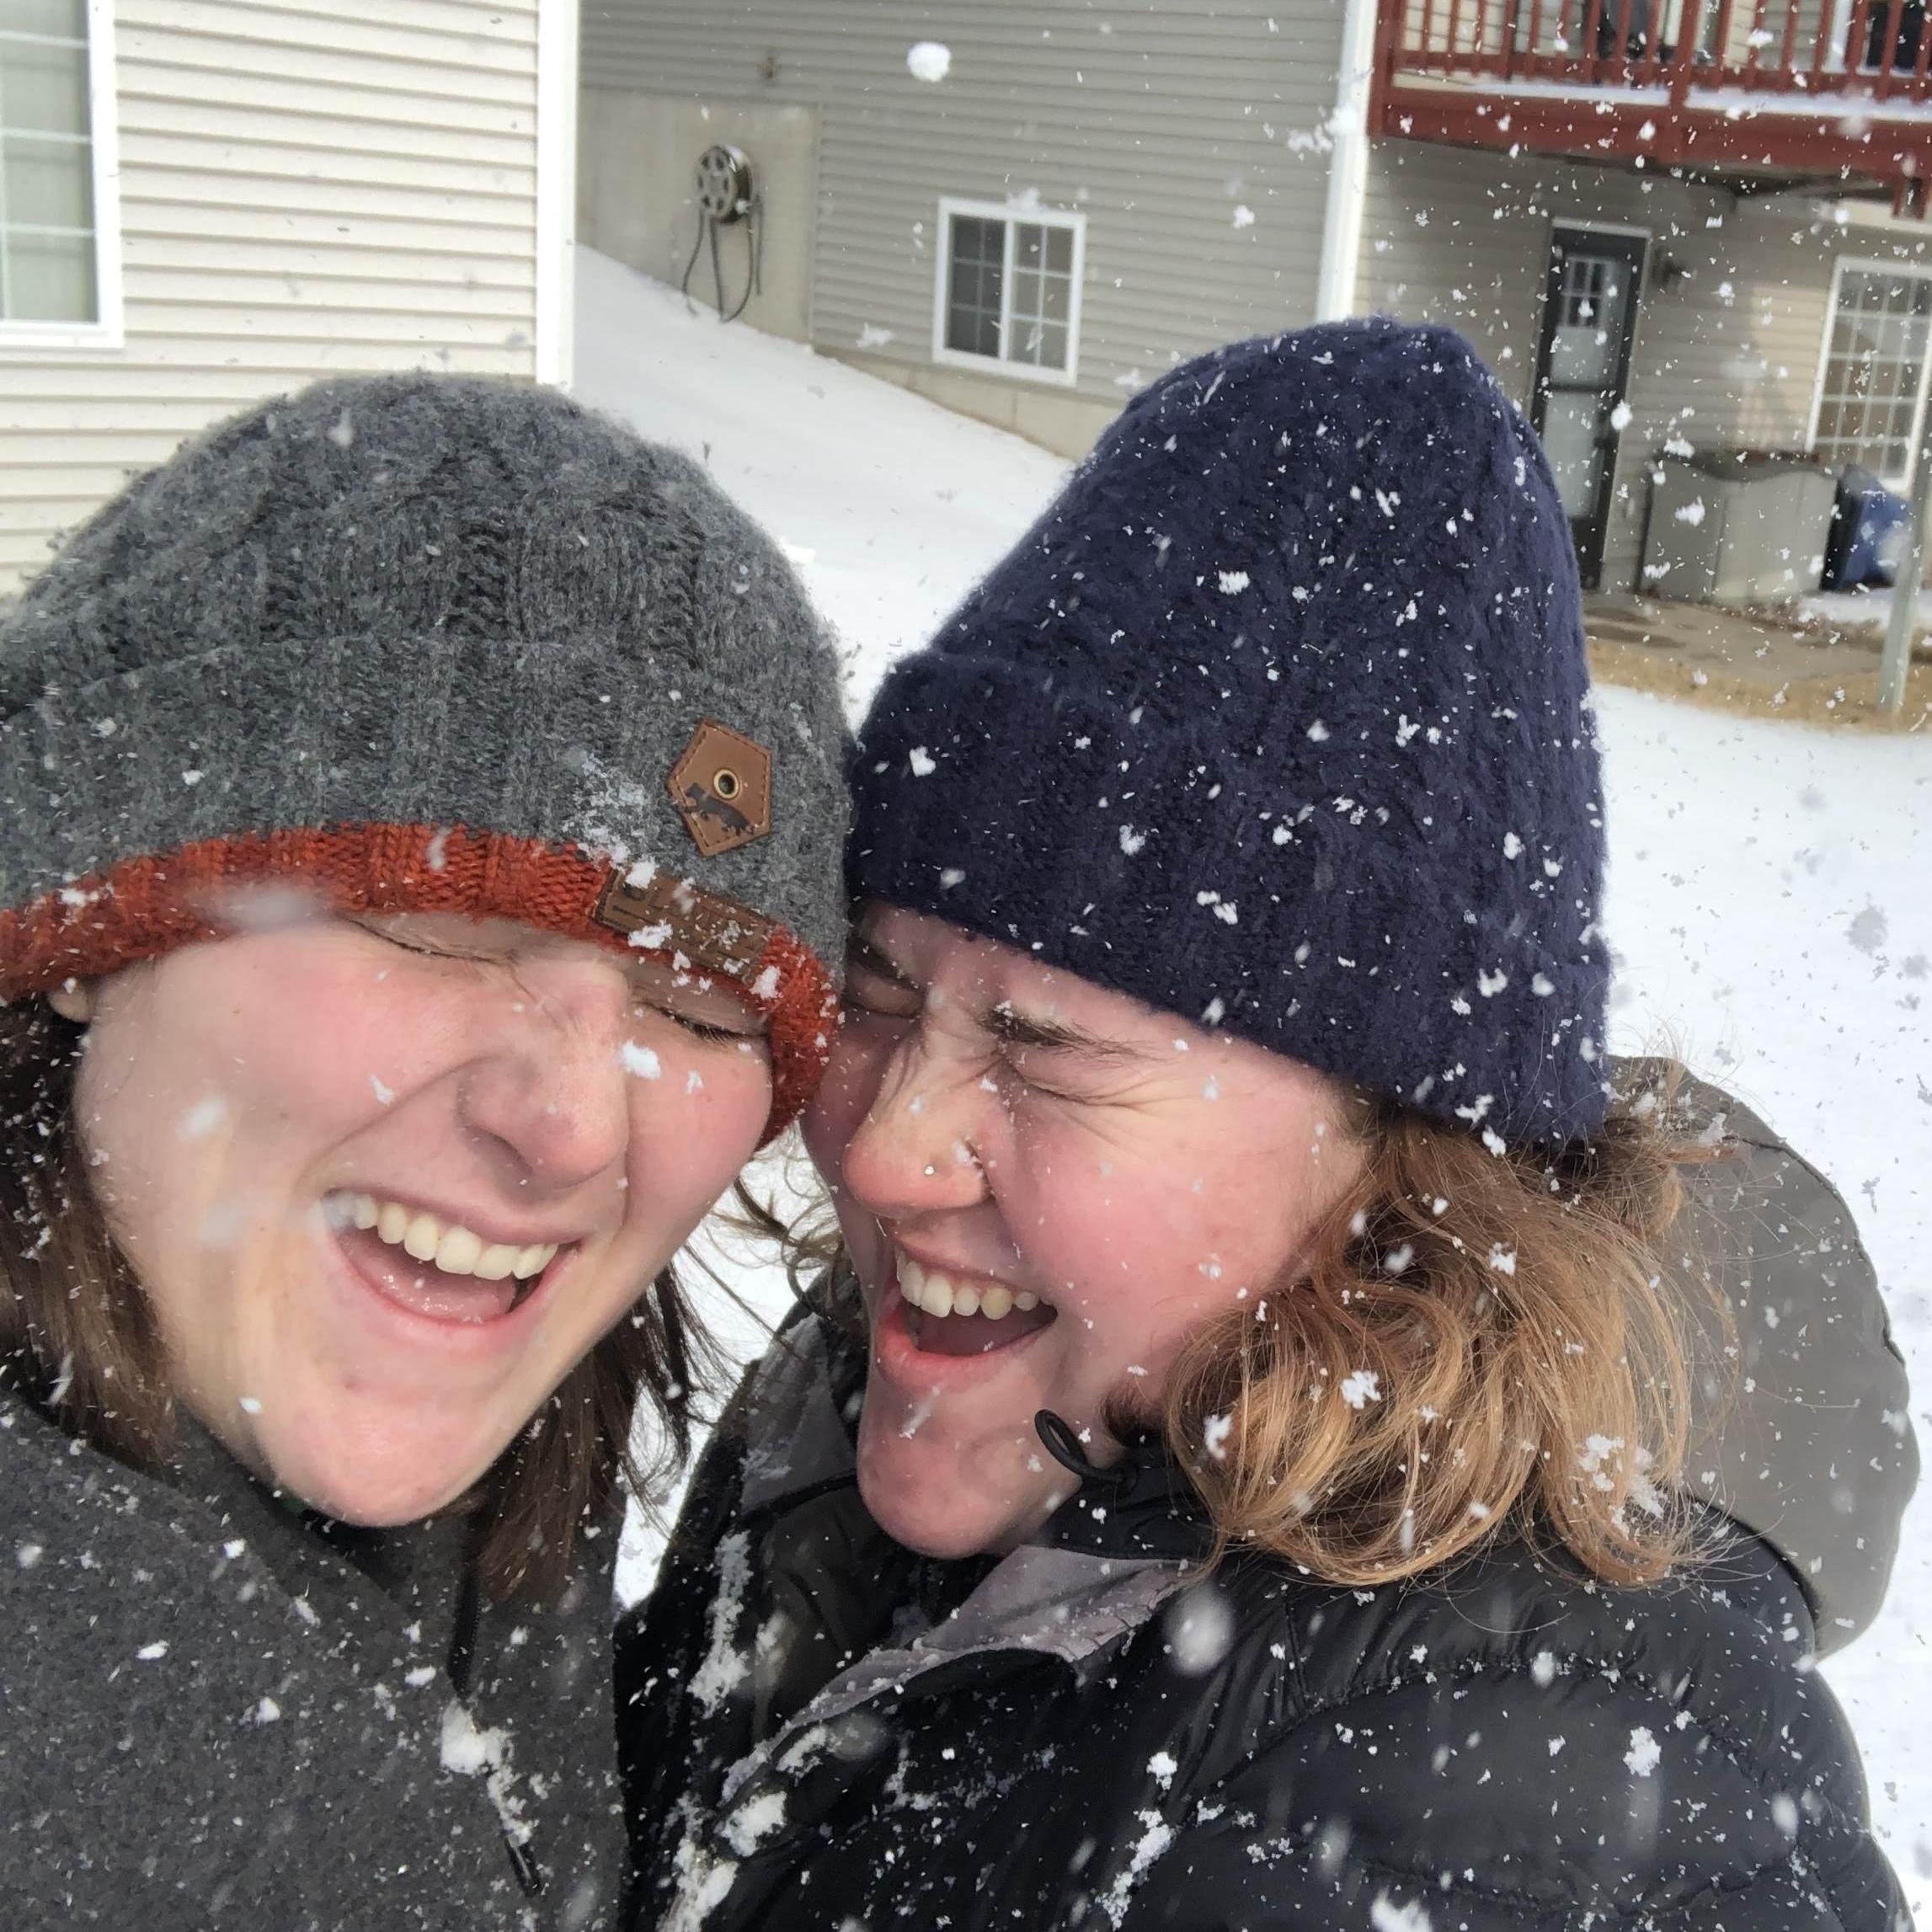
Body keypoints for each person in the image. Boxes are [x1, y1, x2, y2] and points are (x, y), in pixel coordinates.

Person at [616, 323, 1917, 1931]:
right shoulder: (865, 1382)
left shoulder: (1537, 1787)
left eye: (1045, 1045)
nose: (883, 1149)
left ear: (1402, 1157)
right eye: (880, 992)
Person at [0, 374, 849, 1930]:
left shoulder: (519, 1492)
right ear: (78, 933)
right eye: (438, 925)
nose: (577, 1122)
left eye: (694, 1004)